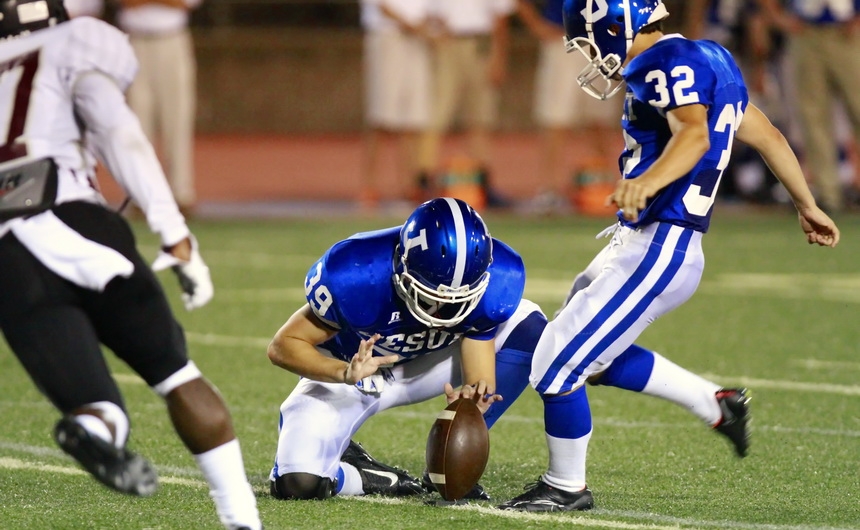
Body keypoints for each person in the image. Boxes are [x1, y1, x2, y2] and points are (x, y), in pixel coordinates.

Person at [497, 0, 840, 512]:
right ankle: (716, 404)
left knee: (555, 364)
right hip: (648, 243)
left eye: (589, 41)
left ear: (615, 26)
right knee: (585, 354)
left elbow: (694, 134)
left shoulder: (663, 62)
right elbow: (767, 135)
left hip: (659, 246)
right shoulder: (710, 57)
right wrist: (806, 203)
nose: (590, 54)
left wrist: (649, 181)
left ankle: (566, 487)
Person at [0, 5, 261, 530]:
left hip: (6, 255)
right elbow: (121, 134)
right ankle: (242, 521)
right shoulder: (71, 43)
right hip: (71, 215)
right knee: (176, 375)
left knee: (98, 409)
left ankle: (96, 430)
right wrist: (175, 234)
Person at [266, 197, 538, 500]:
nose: (443, 311)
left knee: (528, 325)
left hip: (426, 366)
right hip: (354, 372)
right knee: (298, 483)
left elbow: (478, 346)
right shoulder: (357, 272)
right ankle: (367, 477)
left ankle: (448, 463)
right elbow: (283, 345)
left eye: (460, 300)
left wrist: (473, 402)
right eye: (432, 296)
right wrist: (343, 372)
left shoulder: (501, 276)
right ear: (401, 266)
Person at [516, 0, 621, 215]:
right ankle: (549, 192)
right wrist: (537, 26)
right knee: (555, 119)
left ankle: (604, 186)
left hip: (600, 42)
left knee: (599, 120)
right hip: (563, 40)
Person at [756, 0, 860, 213]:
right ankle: (828, 194)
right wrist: (779, 18)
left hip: (849, 30)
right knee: (813, 118)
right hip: (806, 31)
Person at [416, 0, 516, 207]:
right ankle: (424, 181)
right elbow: (424, 10)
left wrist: (499, 57)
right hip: (449, 43)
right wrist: (432, 34)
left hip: (481, 45)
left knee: (480, 118)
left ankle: (483, 184)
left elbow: (501, 16)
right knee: (436, 116)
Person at [116, 0, 202, 216]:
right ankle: (141, 195)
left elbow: (184, 4)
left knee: (177, 119)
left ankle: (181, 193)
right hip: (134, 41)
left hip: (172, 39)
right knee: (136, 122)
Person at [359, 0, 435, 211]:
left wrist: (429, 26)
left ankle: (409, 186)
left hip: (418, 39)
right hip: (388, 35)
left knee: (412, 119)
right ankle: (369, 187)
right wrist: (414, 27)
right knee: (381, 117)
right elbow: (382, 6)